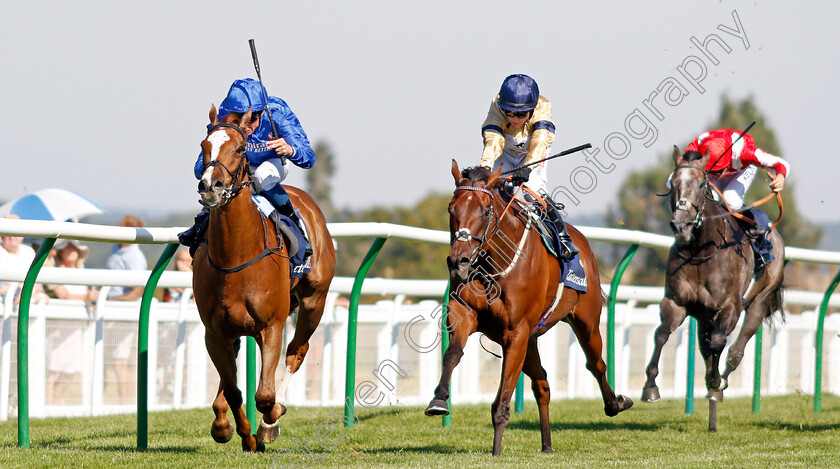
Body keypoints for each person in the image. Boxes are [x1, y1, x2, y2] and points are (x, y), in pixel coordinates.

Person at [180, 78, 316, 256]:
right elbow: (200, 168)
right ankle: (200, 224)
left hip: (273, 163)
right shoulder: (222, 118)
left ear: (261, 113)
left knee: (261, 176)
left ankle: (297, 227)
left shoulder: (278, 114)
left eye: (251, 119)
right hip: (240, 165)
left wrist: (290, 150)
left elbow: (309, 158)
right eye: (237, 119)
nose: (245, 125)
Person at [479, 74, 578, 260]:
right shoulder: (496, 105)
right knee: (493, 191)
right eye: (509, 113)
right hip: (504, 151)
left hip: (532, 152)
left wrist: (527, 168)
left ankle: (564, 239)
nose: (514, 119)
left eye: (521, 114)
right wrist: (485, 167)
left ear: (532, 110)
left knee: (532, 192)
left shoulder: (543, 107)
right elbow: (493, 140)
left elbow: (540, 141)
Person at [669, 128, 790, 270]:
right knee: (708, 198)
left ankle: (759, 238)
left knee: (731, 198)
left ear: (725, 166)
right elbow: (677, 177)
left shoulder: (746, 152)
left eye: (717, 172)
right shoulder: (696, 148)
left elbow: (781, 163)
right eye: (711, 173)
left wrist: (780, 177)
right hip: (705, 166)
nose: (713, 176)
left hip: (742, 169)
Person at [45, 239, 95, 405]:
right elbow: (62, 293)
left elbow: (88, 294)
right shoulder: (57, 271)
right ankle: (49, 402)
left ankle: (59, 401)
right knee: (54, 369)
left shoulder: (82, 272)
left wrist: (90, 299)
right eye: (66, 248)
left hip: (76, 329)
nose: (70, 250)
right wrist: (85, 298)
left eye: (73, 248)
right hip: (59, 328)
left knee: (70, 370)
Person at [106, 215, 148, 301]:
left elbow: (136, 293)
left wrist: (111, 300)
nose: (117, 227)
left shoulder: (136, 258)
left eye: (120, 226)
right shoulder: (117, 247)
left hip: (118, 307)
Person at [0, 215, 37, 299]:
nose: (12, 236)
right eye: (8, 231)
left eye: (16, 231)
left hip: (29, 298)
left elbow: (37, 283)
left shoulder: (29, 252)